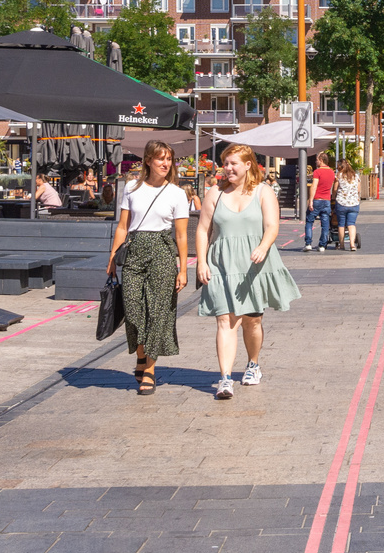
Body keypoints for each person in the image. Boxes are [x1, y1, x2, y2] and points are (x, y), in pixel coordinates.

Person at [195, 143, 300, 400]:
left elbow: (272, 226)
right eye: (225, 163)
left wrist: (264, 247)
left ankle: (253, 364)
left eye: (233, 163)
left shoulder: (264, 192)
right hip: (221, 264)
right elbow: (202, 230)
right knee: (226, 320)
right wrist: (201, 261)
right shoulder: (214, 195)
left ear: (247, 165)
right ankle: (226, 378)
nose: (227, 168)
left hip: (254, 265)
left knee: (252, 321)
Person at [106, 140, 189, 395]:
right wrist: (112, 259)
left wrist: (183, 269)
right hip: (135, 250)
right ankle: (141, 355)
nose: (165, 164)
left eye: (169, 159)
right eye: (160, 159)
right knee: (133, 309)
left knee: (158, 312)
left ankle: (149, 369)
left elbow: (182, 235)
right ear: (148, 161)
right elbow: (122, 226)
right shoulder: (132, 187)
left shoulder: (176, 192)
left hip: (163, 252)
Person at [304, 153, 336, 251]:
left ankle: (308, 243)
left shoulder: (317, 172)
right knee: (325, 223)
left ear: (321, 160)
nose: (316, 162)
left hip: (317, 199)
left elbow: (314, 186)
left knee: (309, 221)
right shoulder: (332, 172)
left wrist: (310, 200)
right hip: (326, 200)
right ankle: (322, 245)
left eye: (317, 160)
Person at [335, 159, 362, 251]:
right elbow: (358, 190)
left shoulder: (339, 176)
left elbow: (335, 189)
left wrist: (334, 197)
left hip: (341, 203)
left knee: (341, 224)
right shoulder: (356, 176)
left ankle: (342, 245)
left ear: (340, 167)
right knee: (351, 224)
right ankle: (352, 244)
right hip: (354, 203)